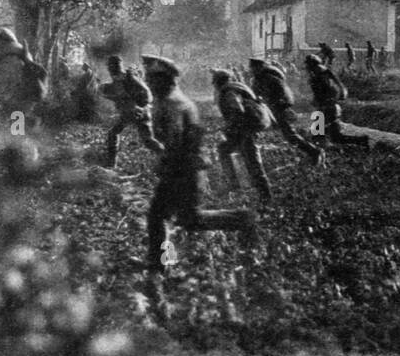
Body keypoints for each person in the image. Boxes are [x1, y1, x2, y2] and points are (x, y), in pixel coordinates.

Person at [142, 56, 255, 273]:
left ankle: (245, 219)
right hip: (184, 169)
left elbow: (175, 141)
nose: (149, 83)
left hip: (182, 170)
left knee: (164, 217)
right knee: (188, 219)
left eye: (153, 79)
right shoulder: (169, 100)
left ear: (166, 80)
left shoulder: (174, 104)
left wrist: (165, 163)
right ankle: (244, 219)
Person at [211, 68, 274, 204]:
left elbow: (237, 110)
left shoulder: (228, 92)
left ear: (218, 83)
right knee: (225, 150)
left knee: (252, 162)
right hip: (245, 128)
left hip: (245, 129)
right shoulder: (237, 86)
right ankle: (236, 184)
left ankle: (264, 195)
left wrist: (229, 128)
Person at [248, 57, 325, 166]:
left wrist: (272, 103)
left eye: (253, 67)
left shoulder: (268, 78)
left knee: (290, 135)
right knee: (286, 134)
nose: (251, 70)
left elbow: (282, 94)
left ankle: (314, 151)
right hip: (272, 108)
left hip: (277, 108)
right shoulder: (260, 78)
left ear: (259, 67)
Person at [100, 55, 164, 169]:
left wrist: (140, 107)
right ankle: (111, 165)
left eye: (111, 66)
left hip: (139, 112)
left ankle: (169, 157)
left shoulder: (129, 77)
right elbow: (120, 96)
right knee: (113, 133)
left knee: (148, 141)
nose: (109, 69)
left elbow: (148, 95)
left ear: (115, 66)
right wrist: (106, 93)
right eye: (109, 67)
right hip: (128, 113)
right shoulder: (118, 78)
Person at [304, 54, 369, 149]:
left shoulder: (318, 76)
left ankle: (361, 141)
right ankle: (361, 141)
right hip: (329, 108)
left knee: (326, 137)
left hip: (327, 109)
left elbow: (321, 93)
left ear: (311, 65)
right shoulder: (325, 73)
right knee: (327, 137)